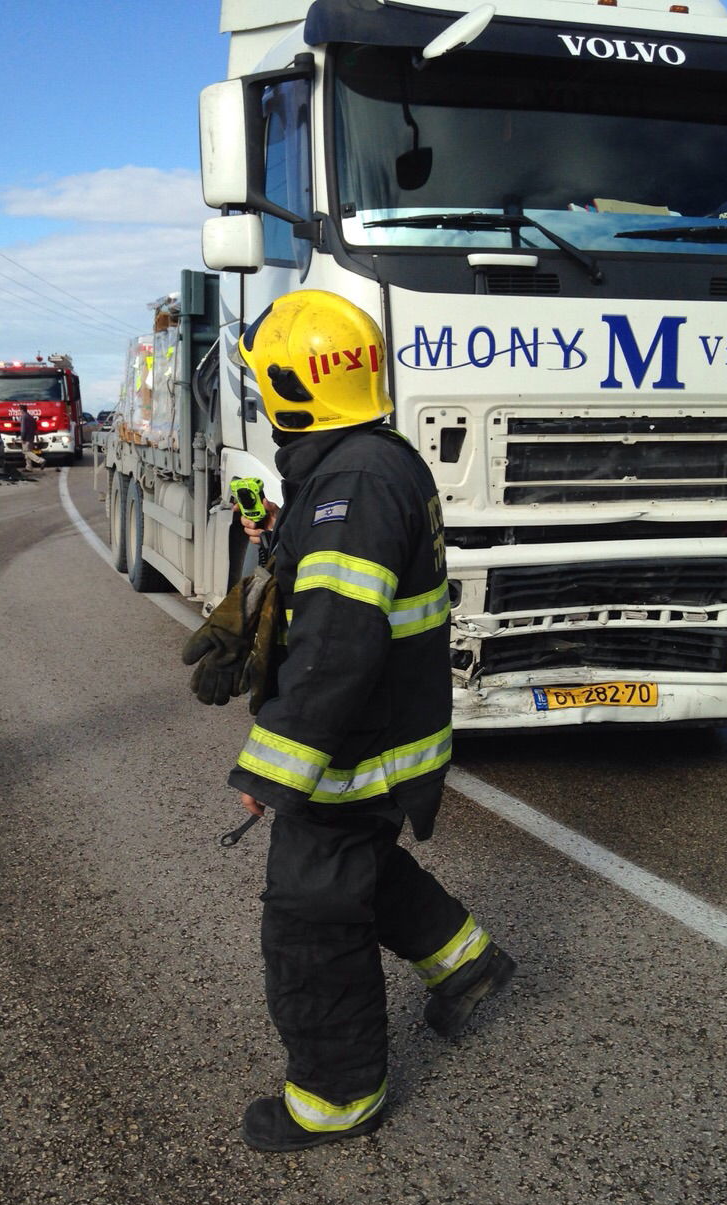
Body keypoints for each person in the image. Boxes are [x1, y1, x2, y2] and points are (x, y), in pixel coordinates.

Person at [224, 291, 515, 1152]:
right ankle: (466, 963)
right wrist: (279, 546)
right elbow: (346, 590)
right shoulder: (373, 462)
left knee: (310, 917)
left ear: (291, 389)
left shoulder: (351, 479)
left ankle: (338, 1097)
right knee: (355, 866)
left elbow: (336, 648)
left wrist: (268, 773)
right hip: (387, 739)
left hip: (355, 749)